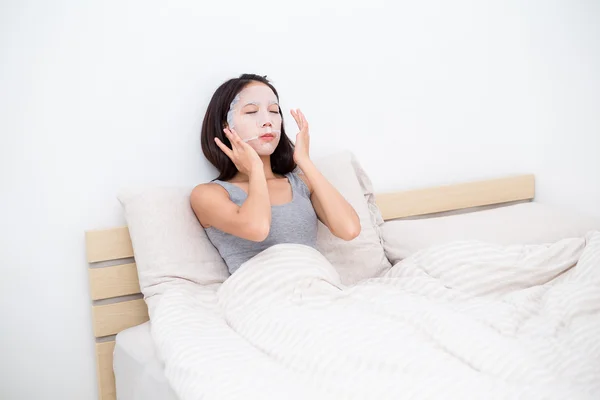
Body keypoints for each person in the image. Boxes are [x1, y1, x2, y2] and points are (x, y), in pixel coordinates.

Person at [191, 73, 360, 275]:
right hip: (262, 295)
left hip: (317, 288)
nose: (267, 121)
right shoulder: (208, 194)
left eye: (273, 111)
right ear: (226, 127)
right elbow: (258, 228)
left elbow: (349, 230)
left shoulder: (301, 184)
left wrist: (305, 162)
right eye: (252, 111)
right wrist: (255, 170)